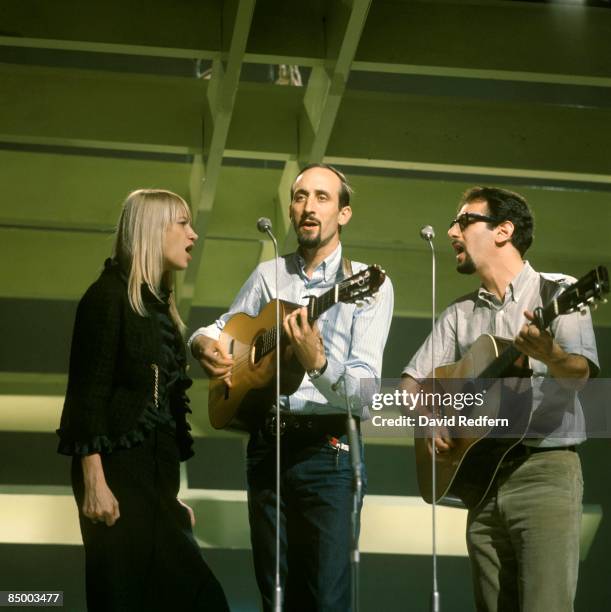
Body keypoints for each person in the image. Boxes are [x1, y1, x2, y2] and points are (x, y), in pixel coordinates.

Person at [189, 164, 394, 611]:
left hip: (330, 449)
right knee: (274, 597)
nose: (308, 207)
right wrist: (201, 344)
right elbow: (221, 328)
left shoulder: (369, 285)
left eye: (322, 197)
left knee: (324, 597)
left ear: (344, 214)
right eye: (301, 197)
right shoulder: (269, 275)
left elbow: (365, 393)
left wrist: (316, 361)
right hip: (268, 445)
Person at [401, 186, 599, 611]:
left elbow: (579, 375)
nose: (453, 230)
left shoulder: (557, 294)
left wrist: (551, 355)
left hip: (544, 472)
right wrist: (431, 418)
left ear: (503, 231)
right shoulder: (459, 314)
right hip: (482, 479)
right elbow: (408, 387)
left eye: (464, 220)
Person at [57, 189, 229, 611]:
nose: (193, 235)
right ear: (154, 230)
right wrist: (95, 483)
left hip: (151, 488)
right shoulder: (107, 297)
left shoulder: (158, 308)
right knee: (123, 598)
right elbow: (86, 395)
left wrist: (169, 498)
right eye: (183, 224)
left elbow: (160, 416)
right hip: (114, 478)